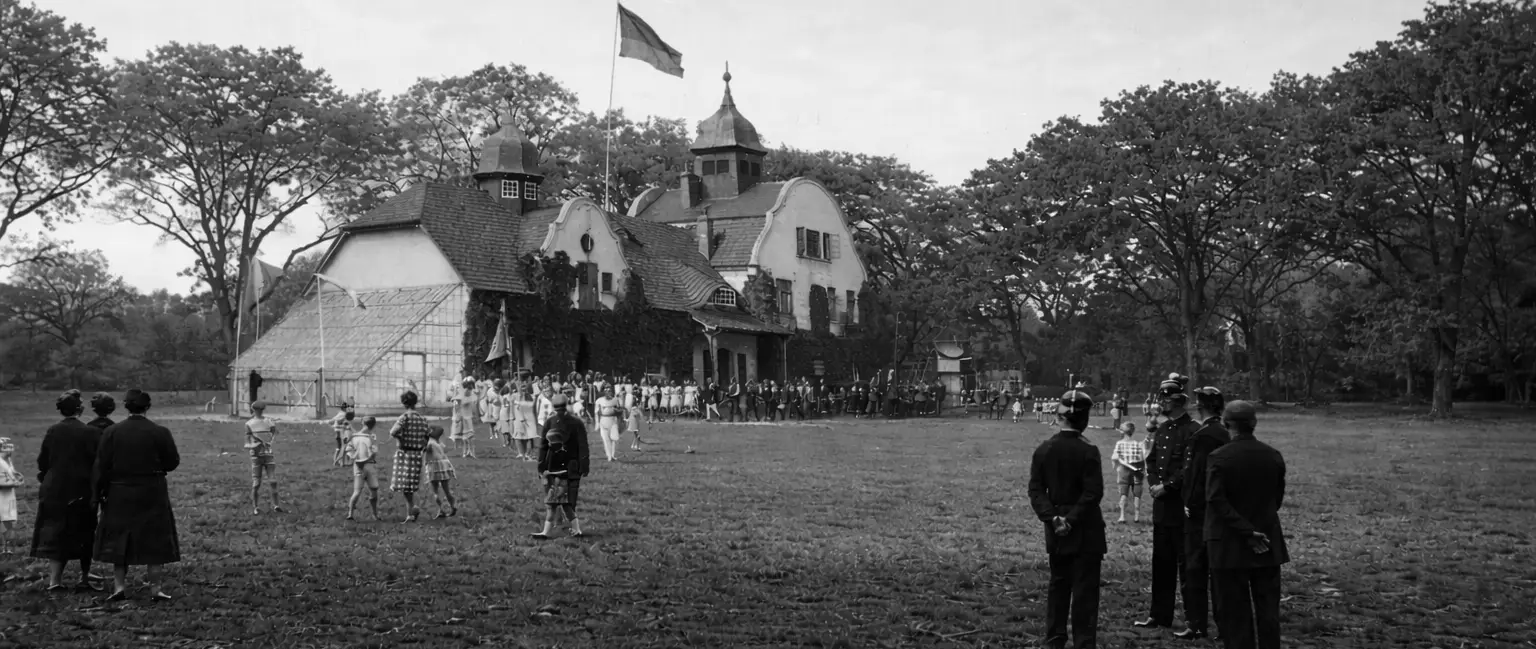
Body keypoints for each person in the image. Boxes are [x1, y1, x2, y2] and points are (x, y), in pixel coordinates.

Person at [1027, 390, 1106, 649]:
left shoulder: (1044, 449)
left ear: (1060, 417)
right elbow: (1093, 493)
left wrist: (1053, 519)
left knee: (1059, 585)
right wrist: (1071, 519)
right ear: (1084, 419)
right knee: (1085, 591)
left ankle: (1055, 638)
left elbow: (1036, 490)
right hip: (1086, 528)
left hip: (1056, 529)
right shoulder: (1089, 451)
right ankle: (1084, 642)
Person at [1206, 400, 1288, 649]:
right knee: (1268, 611)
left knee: (1234, 612)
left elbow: (1216, 500)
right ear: (1254, 423)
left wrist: (1245, 531)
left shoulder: (1219, 457)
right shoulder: (1273, 455)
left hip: (1229, 543)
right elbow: (1276, 499)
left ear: (1226, 424)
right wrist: (1256, 529)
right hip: (1267, 541)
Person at [92, 389, 180, 601]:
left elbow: (101, 465)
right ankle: (155, 588)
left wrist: (99, 492)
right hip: (152, 490)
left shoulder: (112, 432)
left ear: (126, 407)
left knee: (120, 538)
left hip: (119, 490)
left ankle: (119, 587)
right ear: (147, 407)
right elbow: (172, 462)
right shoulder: (160, 432)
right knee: (154, 537)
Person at [1135, 374, 1198, 631]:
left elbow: (1189, 467)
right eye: (1161, 399)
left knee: (1187, 566)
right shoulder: (1162, 429)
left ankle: (1193, 620)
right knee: (1161, 564)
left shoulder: (1193, 430)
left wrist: (1168, 486)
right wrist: (1153, 484)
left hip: (1181, 504)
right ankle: (1159, 615)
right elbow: (1151, 460)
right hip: (1161, 506)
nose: (1162, 404)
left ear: (1179, 401)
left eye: (1166, 400)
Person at [30, 391, 104, 590]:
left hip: (54, 487)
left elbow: (42, 461)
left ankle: (55, 580)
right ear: (80, 409)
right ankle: (84, 576)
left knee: (56, 531)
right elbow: (97, 462)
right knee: (85, 531)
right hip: (81, 487)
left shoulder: (53, 431)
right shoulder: (91, 432)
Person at [1177, 386, 1233, 639]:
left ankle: (1197, 623)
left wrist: (1190, 503)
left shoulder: (1203, 436)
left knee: (1195, 569)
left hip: (1200, 513)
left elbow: (1197, 473)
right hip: (1221, 510)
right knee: (1220, 573)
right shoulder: (1225, 433)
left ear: (1202, 406)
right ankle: (1225, 625)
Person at [532, 395, 590, 539]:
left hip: (564, 466)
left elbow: (543, 447)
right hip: (565, 466)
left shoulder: (553, 422)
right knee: (564, 498)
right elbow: (544, 446)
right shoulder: (574, 422)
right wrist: (584, 464)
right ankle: (562, 523)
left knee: (565, 498)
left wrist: (541, 466)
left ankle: (566, 524)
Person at [389, 390, 431, 523]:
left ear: (404, 403)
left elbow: (393, 431)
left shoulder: (404, 417)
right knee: (412, 485)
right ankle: (412, 510)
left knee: (405, 486)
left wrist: (401, 439)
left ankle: (411, 511)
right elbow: (427, 436)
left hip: (405, 454)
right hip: (417, 454)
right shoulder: (422, 419)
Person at [244, 401, 283, 515]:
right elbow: (247, 443)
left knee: (273, 481)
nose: (259, 411)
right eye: (258, 410)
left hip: (268, 455)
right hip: (256, 456)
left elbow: (274, 434)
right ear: (254, 410)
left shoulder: (269, 422)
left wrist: (270, 441)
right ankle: (255, 507)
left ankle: (276, 505)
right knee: (256, 483)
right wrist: (254, 445)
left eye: (261, 410)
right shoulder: (249, 424)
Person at [345, 416, 380, 520]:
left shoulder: (354, 436)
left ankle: (350, 514)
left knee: (357, 491)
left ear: (362, 423)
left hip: (358, 466)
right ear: (374, 425)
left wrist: (355, 458)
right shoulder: (372, 437)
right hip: (370, 466)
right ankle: (375, 514)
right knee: (374, 490)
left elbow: (348, 450)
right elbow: (374, 452)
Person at [1111, 422, 1146, 524]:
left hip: (1124, 470)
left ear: (1122, 432)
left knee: (1123, 493)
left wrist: (1115, 466)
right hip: (1137, 469)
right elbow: (1142, 459)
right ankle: (1136, 516)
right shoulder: (1138, 444)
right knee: (1137, 493)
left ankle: (1122, 516)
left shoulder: (1119, 443)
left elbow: (1115, 458)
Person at [423, 427, 458, 519]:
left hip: (434, 468)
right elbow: (444, 451)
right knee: (446, 490)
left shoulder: (429, 444)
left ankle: (442, 509)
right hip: (444, 466)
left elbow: (426, 453)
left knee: (435, 491)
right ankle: (453, 506)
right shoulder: (438, 442)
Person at [449, 378, 478, 458]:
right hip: (463, 418)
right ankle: (465, 452)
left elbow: (473, 406)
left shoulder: (471, 395)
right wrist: (458, 416)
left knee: (470, 436)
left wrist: (475, 415)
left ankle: (471, 452)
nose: (471, 388)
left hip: (468, 417)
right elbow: (456, 403)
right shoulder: (462, 394)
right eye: (469, 386)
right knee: (465, 436)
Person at [594, 386, 624, 462]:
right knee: (606, 439)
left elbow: (620, 410)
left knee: (613, 438)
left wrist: (619, 414)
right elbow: (596, 413)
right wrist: (597, 423)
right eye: (606, 391)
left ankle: (612, 455)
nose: (608, 392)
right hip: (603, 421)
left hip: (613, 420)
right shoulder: (599, 400)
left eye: (609, 391)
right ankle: (609, 456)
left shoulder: (616, 400)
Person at [0, 436, 18, 555]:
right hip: (3, 495)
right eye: (3, 446)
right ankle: (4, 547)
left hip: (8, 495)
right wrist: (11, 483)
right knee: (4, 521)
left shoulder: (5, 460)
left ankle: (6, 547)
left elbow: (11, 474)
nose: (7, 449)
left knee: (8, 521)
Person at [330, 402, 357, 467]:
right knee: (343, 451)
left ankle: (342, 463)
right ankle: (337, 462)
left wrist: (336, 426)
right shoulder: (346, 421)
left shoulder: (345, 421)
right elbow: (353, 431)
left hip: (343, 437)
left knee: (343, 451)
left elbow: (341, 426)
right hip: (345, 438)